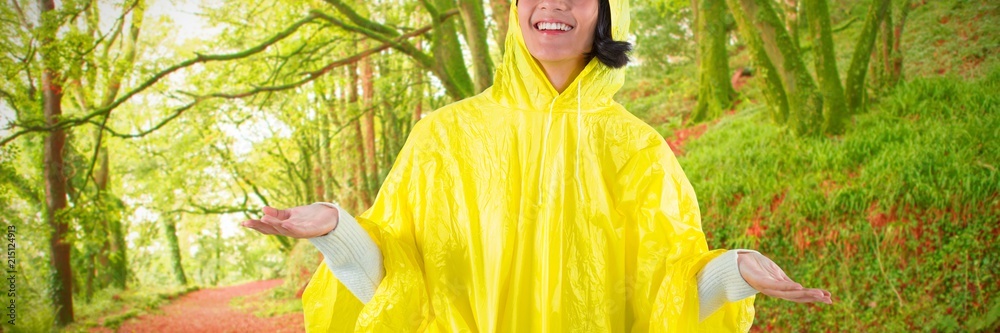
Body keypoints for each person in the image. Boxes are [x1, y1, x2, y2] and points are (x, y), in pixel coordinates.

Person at [242, 0, 832, 331]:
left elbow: (666, 297)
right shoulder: (442, 139)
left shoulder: (638, 151)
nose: (551, 4)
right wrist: (336, 231)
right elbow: (396, 288)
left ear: (607, 16)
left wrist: (735, 271)